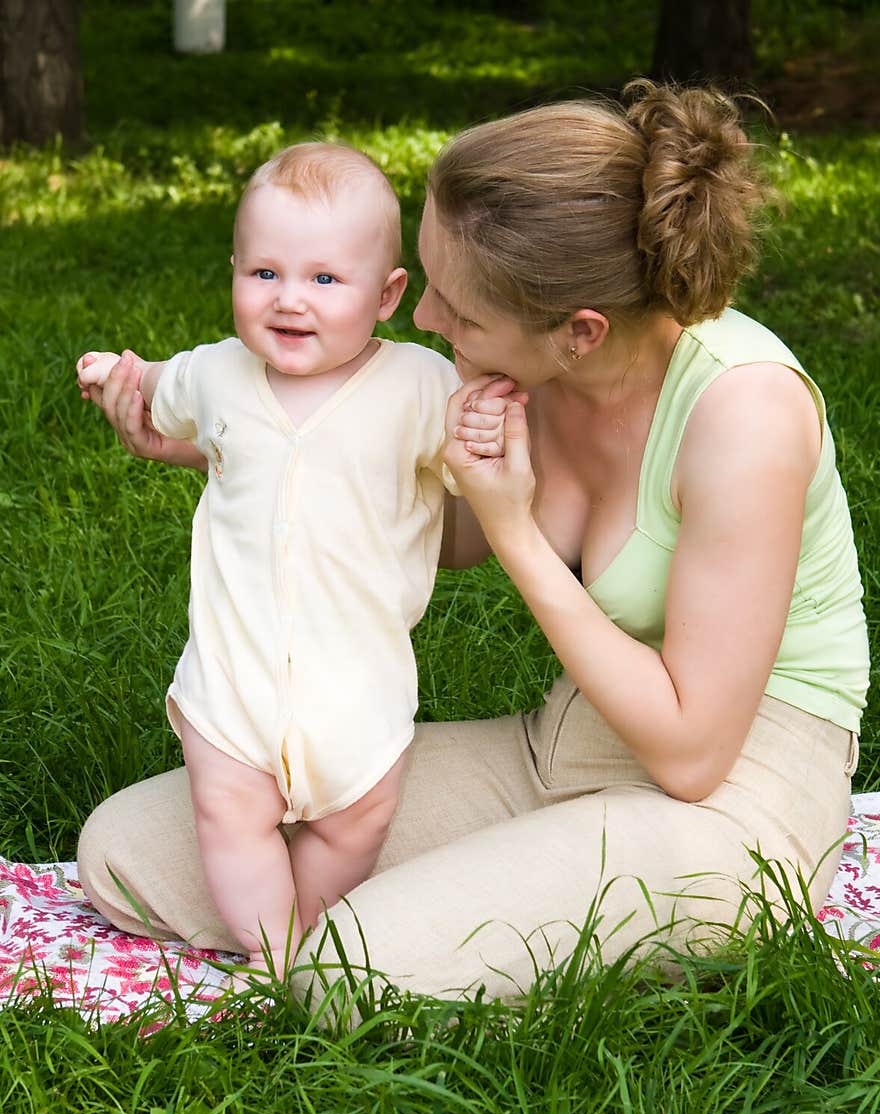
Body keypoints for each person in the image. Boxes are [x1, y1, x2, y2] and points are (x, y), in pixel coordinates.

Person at [76, 81, 869, 1010]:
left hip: (738, 795)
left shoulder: (745, 412)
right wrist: (234, 443)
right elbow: (441, 537)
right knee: (127, 854)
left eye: (456, 308)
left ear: (580, 331)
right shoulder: (526, 363)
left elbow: (693, 750)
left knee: (346, 974)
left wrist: (508, 521)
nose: (424, 323)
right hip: (564, 747)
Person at [75, 141, 505, 986]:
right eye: (264, 273)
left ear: (386, 296)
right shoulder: (219, 374)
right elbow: (159, 385)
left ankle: (306, 945)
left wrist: (483, 431)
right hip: (233, 689)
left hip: (359, 692)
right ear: (234, 271)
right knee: (227, 815)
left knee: (358, 822)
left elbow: (470, 475)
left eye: (324, 280)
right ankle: (277, 964)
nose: (289, 300)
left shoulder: (419, 386)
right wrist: (115, 376)